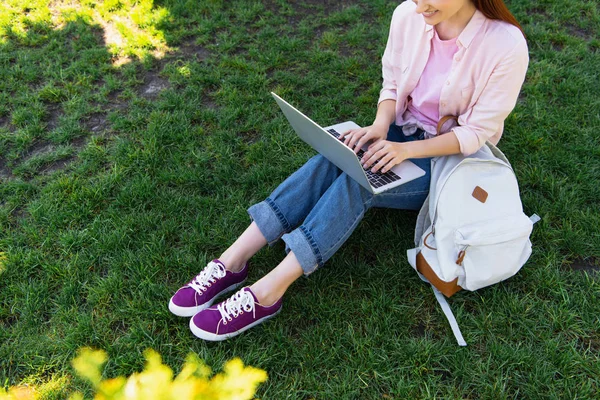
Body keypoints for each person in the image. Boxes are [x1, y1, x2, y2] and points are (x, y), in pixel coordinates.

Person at [168, 0, 529, 341]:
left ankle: (268, 291)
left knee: (362, 181)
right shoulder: (409, 15)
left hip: (447, 164)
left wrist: (405, 150)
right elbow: (392, 85)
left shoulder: (505, 45)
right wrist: (379, 125)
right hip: (398, 133)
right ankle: (233, 260)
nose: (420, 6)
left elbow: (475, 133)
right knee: (337, 155)